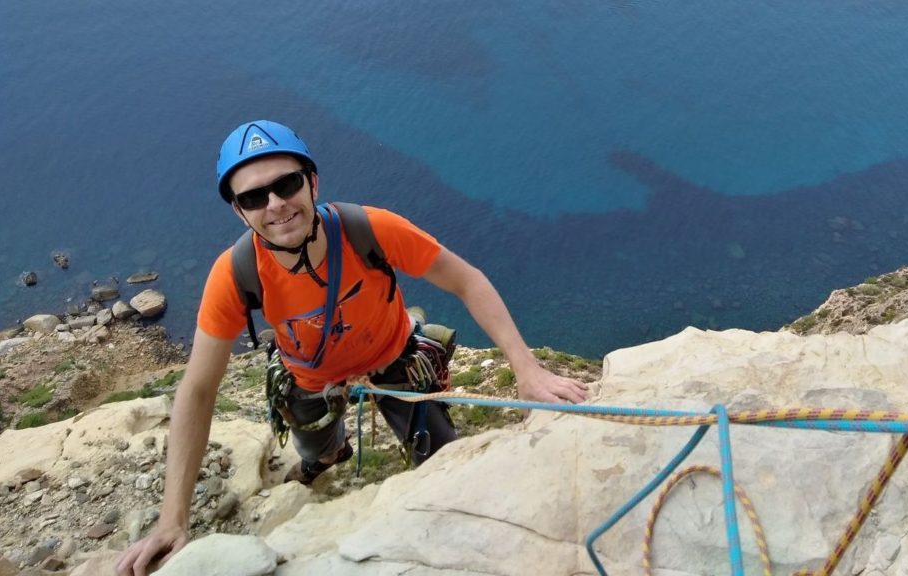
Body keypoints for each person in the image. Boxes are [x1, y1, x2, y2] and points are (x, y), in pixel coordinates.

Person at [116, 120, 589, 575]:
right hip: (309, 376)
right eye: (255, 197)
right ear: (239, 211)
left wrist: (527, 370)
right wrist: (172, 521)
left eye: (287, 184)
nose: (276, 204)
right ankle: (327, 457)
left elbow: (467, 280)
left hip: (394, 357)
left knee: (440, 455)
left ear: (312, 183)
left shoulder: (369, 230)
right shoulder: (236, 273)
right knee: (316, 446)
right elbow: (198, 390)